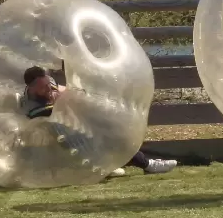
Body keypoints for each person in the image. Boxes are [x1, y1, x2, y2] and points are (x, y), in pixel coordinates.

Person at [21, 66, 177, 177]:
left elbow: (62, 91)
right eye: (44, 87)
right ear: (32, 88)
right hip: (58, 137)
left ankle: (107, 166)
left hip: (71, 124)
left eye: (49, 84)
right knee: (104, 136)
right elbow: (57, 113)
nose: (49, 88)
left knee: (109, 129)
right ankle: (148, 165)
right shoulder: (33, 105)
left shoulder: (46, 83)